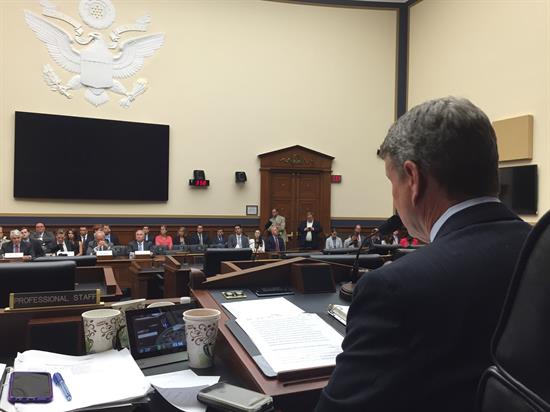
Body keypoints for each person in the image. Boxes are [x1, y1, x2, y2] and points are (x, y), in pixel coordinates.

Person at [315, 97, 532, 412]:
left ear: (413, 179)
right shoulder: (539, 252)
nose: (394, 196)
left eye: (392, 182)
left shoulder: (394, 288)